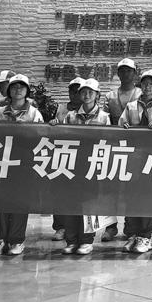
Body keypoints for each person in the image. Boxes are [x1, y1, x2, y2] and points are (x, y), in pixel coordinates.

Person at [118, 69, 152, 254]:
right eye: (144, 83)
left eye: (151, 84)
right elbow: (120, 126)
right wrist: (125, 126)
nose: (147, 87)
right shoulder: (131, 106)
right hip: (133, 157)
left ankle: (145, 237)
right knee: (131, 196)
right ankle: (132, 234)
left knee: (149, 196)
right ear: (140, 85)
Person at [0, 74, 44, 256]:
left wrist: (26, 130)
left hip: (24, 163)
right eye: (14, 87)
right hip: (3, 162)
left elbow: (41, 137)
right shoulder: (0, 112)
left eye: (22, 87)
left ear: (27, 91)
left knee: (20, 202)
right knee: (2, 200)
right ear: (9, 91)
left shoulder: (34, 113)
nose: (18, 90)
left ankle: (17, 240)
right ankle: (0, 239)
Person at [57, 78, 110, 255]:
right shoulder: (71, 116)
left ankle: (87, 241)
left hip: (93, 165)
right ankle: (71, 240)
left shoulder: (104, 117)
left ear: (97, 95)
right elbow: (62, 137)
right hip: (73, 165)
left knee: (89, 205)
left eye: (90, 92)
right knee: (71, 203)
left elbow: (109, 141)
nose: (86, 95)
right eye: (83, 92)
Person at [101, 58, 141, 242]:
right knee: (110, 189)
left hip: (137, 148)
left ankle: (131, 227)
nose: (125, 74)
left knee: (133, 189)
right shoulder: (110, 96)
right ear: (118, 73)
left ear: (135, 73)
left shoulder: (142, 93)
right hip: (114, 147)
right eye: (122, 70)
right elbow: (105, 119)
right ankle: (110, 227)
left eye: (129, 70)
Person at [47, 76, 84, 241]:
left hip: (83, 157)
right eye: (72, 91)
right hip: (63, 155)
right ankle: (61, 227)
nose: (74, 94)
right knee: (60, 193)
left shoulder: (89, 109)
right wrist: (53, 123)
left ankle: (80, 228)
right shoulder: (61, 108)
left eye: (78, 91)